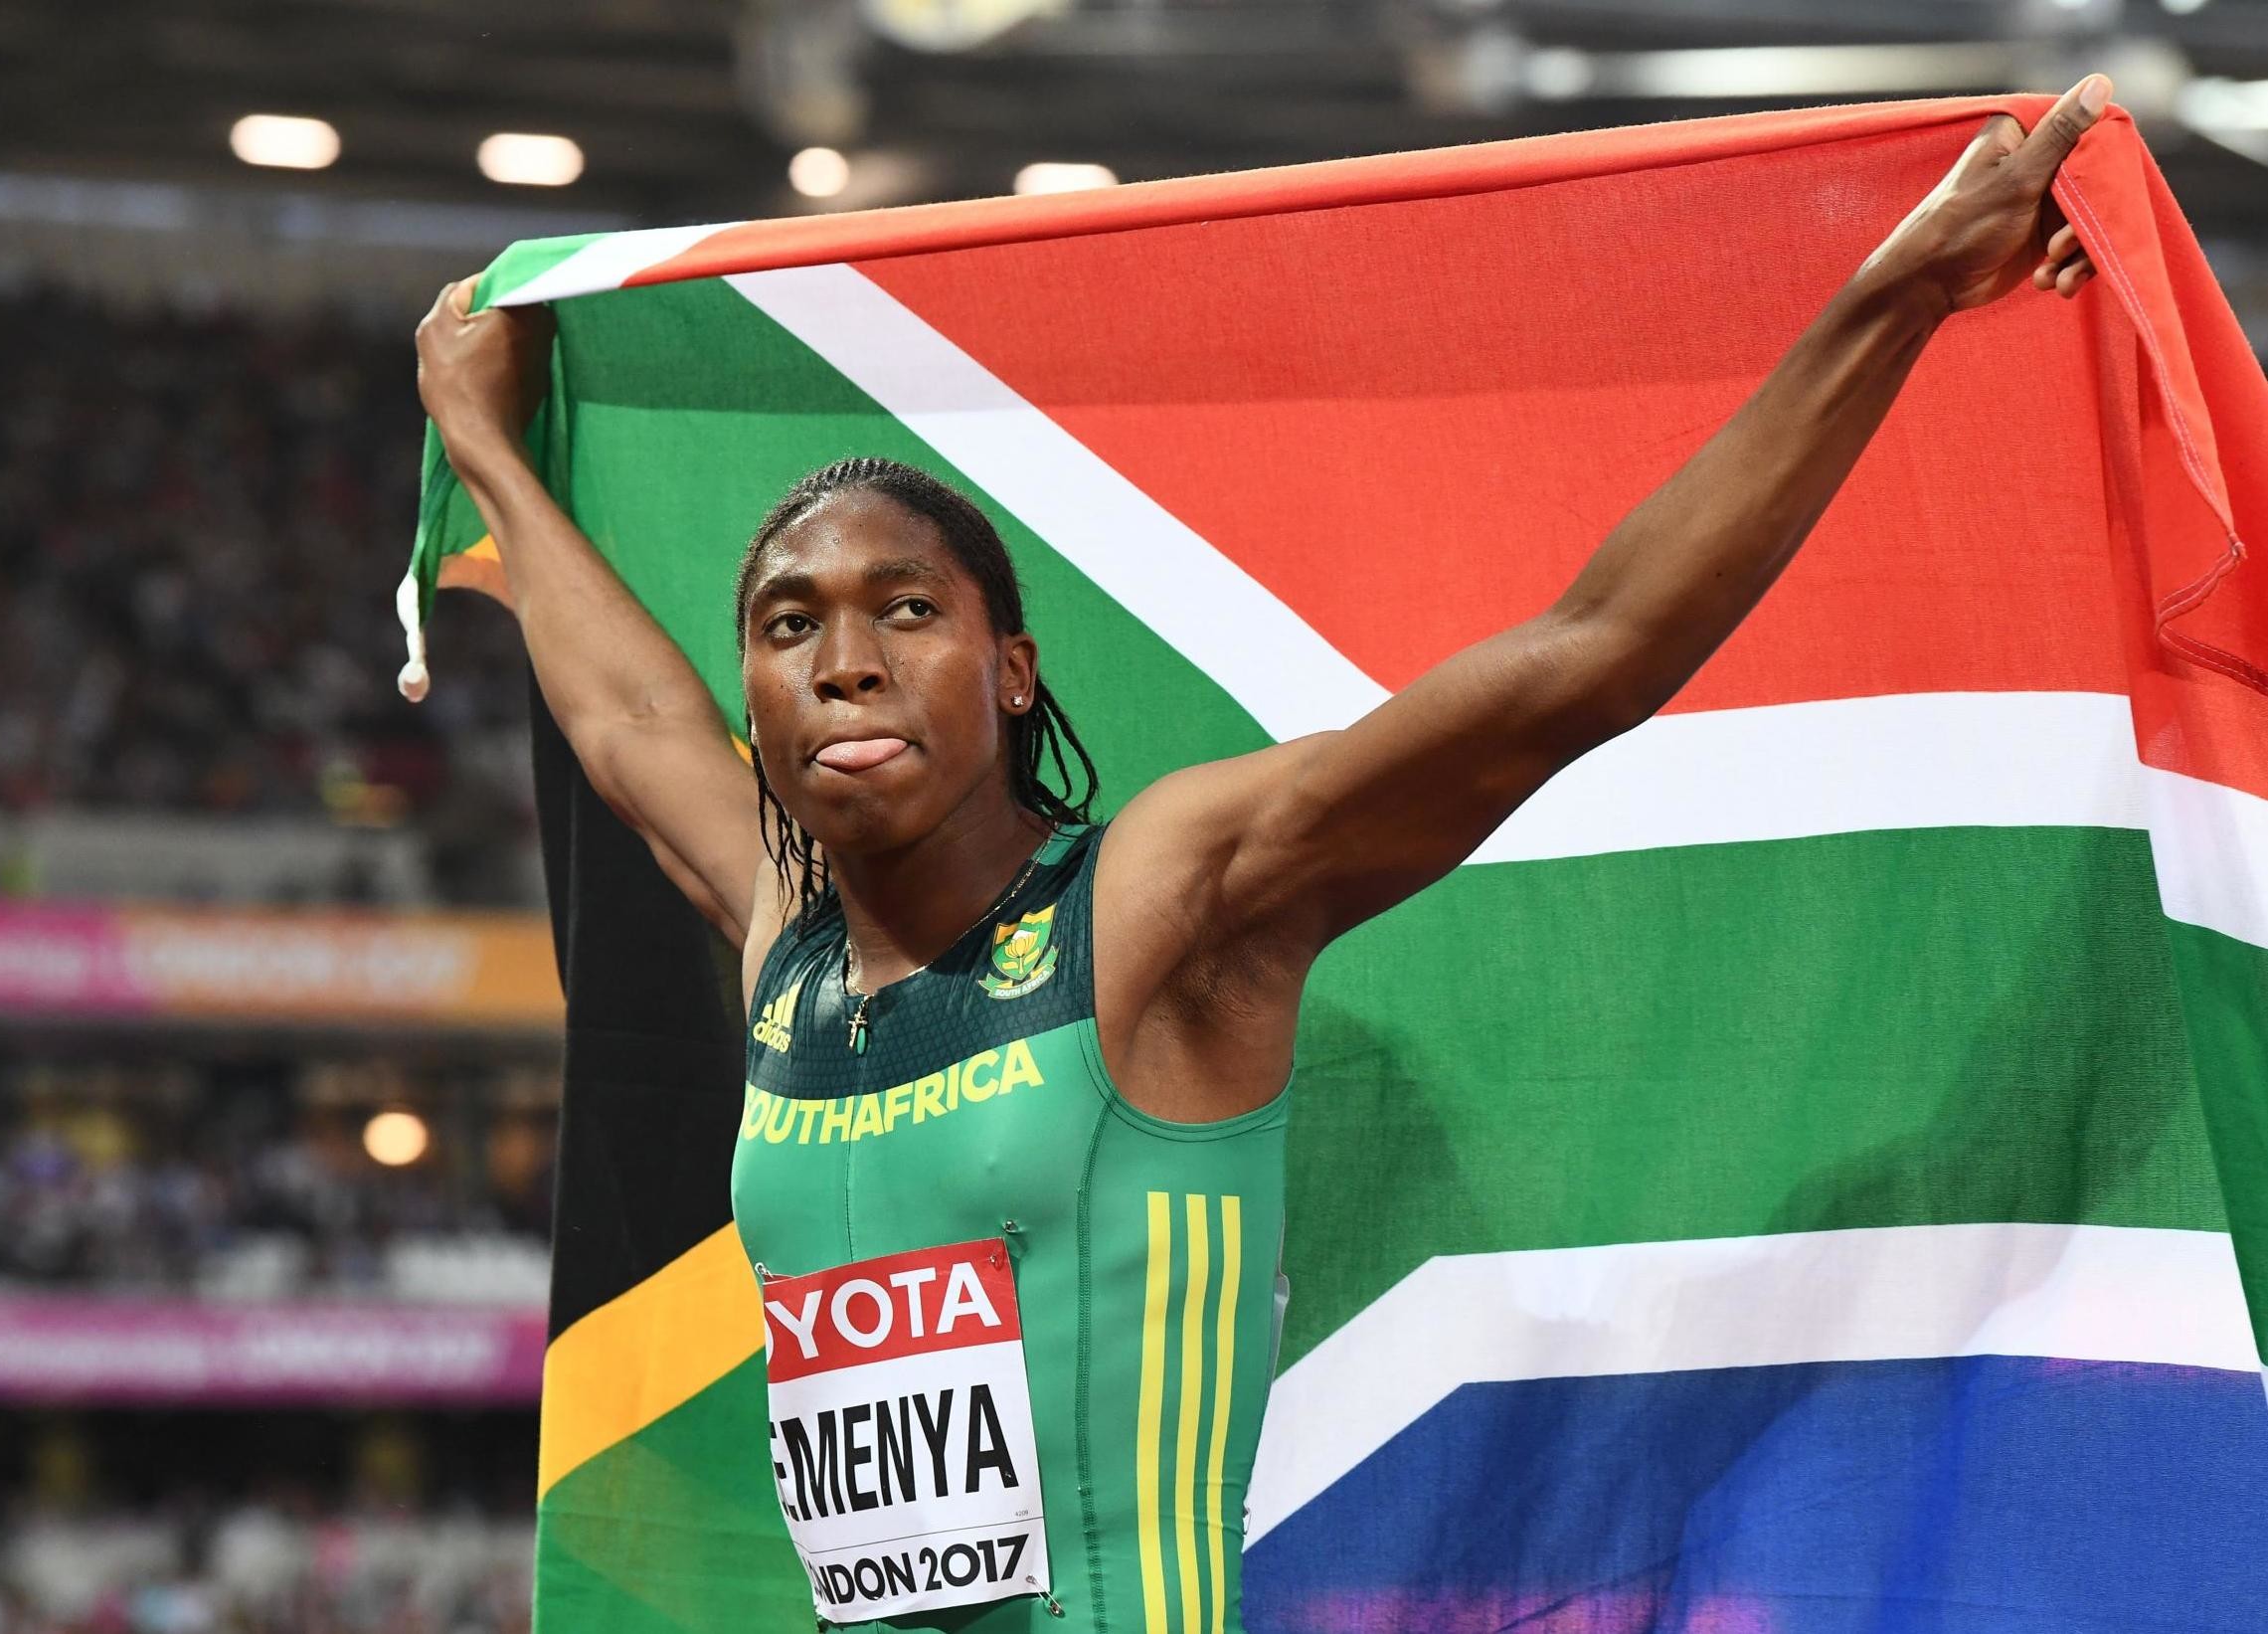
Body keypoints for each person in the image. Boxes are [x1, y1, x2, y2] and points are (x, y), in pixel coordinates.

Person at [414, 81, 2112, 1634]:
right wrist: (477, 433)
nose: (841, 662)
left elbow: (1584, 657)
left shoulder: (1155, 899)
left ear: (1013, 672)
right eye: (789, 627)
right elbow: (630, 721)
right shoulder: (783, 942)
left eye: (904, 611)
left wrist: (1893, 293)